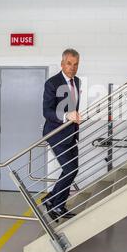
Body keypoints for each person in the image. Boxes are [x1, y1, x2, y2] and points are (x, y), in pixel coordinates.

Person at [42, 48, 82, 220]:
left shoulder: (77, 81)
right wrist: (66, 116)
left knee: (73, 169)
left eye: (75, 64)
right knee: (69, 168)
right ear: (62, 63)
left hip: (71, 132)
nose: (72, 67)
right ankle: (55, 204)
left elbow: (73, 106)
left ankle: (53, 200)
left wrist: (76, 118)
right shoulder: (52, 83)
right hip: (56, 133)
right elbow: (47, 111)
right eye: (69, 63)